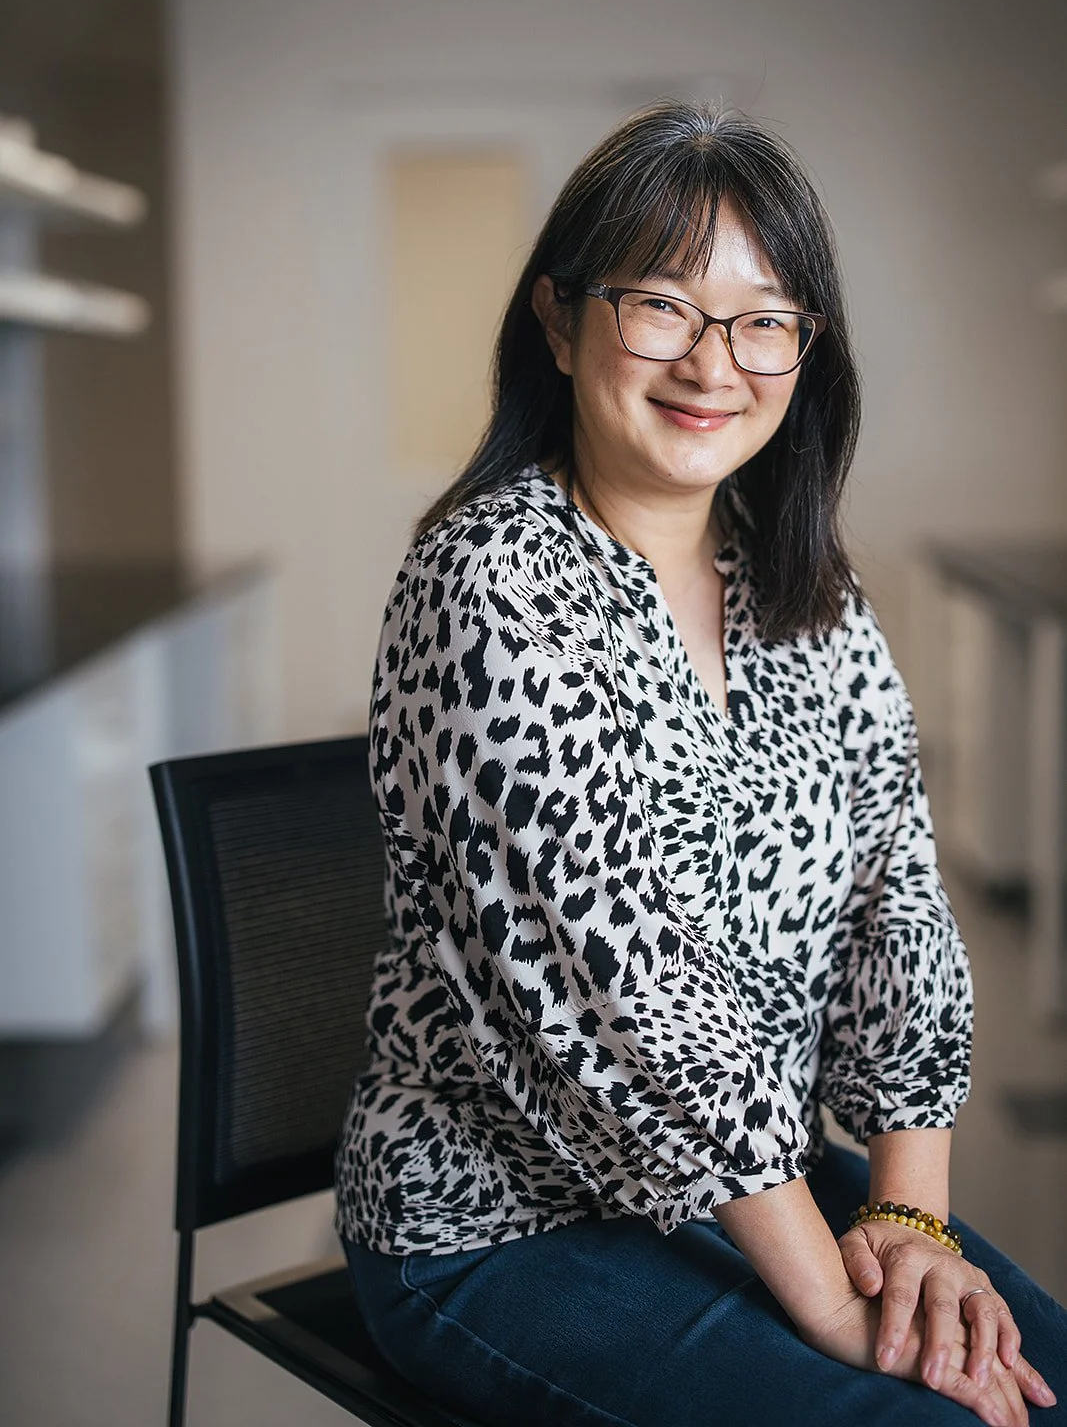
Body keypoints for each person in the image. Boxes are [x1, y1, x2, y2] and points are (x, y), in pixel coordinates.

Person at [334, 102, 1066, 1427]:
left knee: (1040, 1380)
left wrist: (911, 1226)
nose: (712, 361)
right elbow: (636, 1001)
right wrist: (839, 1311)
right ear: (558, 324)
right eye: (662, 306)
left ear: (805, 349)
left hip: (755, 1188)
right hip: (498, 1222)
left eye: (762, 317)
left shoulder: (802, 584)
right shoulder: (488, 583)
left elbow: (894, 895)